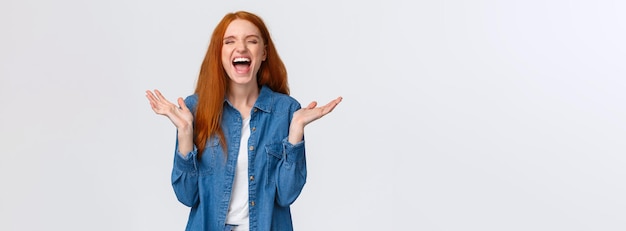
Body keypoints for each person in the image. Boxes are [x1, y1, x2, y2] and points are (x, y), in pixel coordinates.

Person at [145, 11, 342, 231]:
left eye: (252, 41)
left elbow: (287, 195)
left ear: (264, 53)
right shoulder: (194, 110)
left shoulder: (287, 111)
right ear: (219, 53)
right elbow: (186, 196)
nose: (241, 48)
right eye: (230, 41)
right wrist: (184, 130)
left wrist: (296, 130)